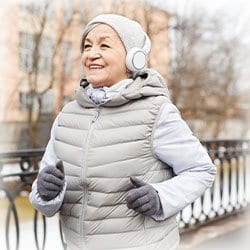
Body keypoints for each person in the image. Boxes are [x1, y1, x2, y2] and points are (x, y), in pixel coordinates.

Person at [29, 14, 216, 250]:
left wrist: (160, 197)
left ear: (132, 58)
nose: (91, 53)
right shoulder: (67, 116)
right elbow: (44, 195)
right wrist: (46, 192)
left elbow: (201, 170)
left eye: (104, 45)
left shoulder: (156, 112)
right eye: (87, 46)